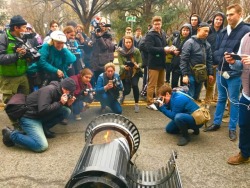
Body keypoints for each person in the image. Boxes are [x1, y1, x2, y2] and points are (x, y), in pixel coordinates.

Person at [204, 4, 250, 141]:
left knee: (234, 100)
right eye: (227, 15)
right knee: (221, 99)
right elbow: (216, 50)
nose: (228, 17)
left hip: (235, 73)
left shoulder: (246, 31)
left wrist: (234, 58)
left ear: (240, 14)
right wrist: (221, 58)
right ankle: (216, 123)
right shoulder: (223, 31)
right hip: (220, 70)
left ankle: (232, 128)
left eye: (231, 14)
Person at [1, 77, 76, 152]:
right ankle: (11, 135)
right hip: (29, 117)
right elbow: (43, 110)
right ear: (63, 87)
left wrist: (68, 104)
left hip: (39, 115)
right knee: (41, 145)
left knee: (66, 111)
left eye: (70, 92)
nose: (68, 93)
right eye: (67, 90)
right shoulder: (49, 90)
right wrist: (60, 103)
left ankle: (44, 129)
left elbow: (57, 108)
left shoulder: (63, 93)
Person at [226, 32, 250, 165]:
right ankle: (245, 154)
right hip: (246, 93)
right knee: (244, 125)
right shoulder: (246, 37)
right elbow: (240, 64)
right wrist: (234, 61)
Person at [145, 16, 174, 111]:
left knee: (161, 84)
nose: (157, 26)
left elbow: (164, 45)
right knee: (152, 84)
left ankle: (158, 100)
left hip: (162, 62)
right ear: (153, 24)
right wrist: (163, 49)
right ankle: (149, 102)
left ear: (161, 24)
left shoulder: (163, 33)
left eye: (159, 24)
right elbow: (149, 49)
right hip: (153, 63)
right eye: (155, 24)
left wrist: (170, 48)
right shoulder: (150, 35)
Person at [180, 22, 214, 100]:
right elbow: (183, 59)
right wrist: (184, 75)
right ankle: (187, 111)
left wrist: (210, 73)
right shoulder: (189, 43)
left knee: (196, 95)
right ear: (199, 30)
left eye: (208, 31)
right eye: (205, 31)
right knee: (189, 95)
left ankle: (194, 111)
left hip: (201, 75)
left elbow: (209, 60)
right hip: (190, 74)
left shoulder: (207, 45)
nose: (207, 33)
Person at [0, 15, 29, 104]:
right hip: (8, 80)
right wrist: (17, 55)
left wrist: (29, 55)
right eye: (24, 27)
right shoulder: (3, 38)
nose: (26, 30)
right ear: (16, 27)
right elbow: (0, 58)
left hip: (23, 77)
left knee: (25, 103)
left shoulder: (23, 38)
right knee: (10, 106)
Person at [117, 35, 143, 112]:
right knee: (127, 90)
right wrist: (124, 67)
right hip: (125, 73)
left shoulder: (136, 51)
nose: (128, 44)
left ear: (132, 42)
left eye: (130, 42)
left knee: (135, 85)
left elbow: (140, 62)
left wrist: (138, 65)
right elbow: (120, 63)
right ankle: (123, 95)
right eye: (126, 42)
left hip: (135, 71)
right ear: (124, 43)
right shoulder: (120, 52)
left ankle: (136, 104)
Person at [205, 12, 225, 106]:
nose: (218, 21)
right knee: (210, 84)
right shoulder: (208, 31)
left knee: (220, 84)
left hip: (221, 62)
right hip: (210, 62)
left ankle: (217, 100)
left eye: (221, 20)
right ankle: (207, 102)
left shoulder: (224, 32)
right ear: (213, 20)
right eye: (217, 19)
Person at [90, 17, 115, 86]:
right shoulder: (94, 33)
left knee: (104, 81)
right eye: (101, 23)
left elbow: (105, 47)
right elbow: (91, 44)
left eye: (104, 23)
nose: (102, 25)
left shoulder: (108, 35)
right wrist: (89, 42)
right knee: (95, 81)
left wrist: (99, 37)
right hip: (94, 61)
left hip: (103, 62)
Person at [171, 24, 192, 88]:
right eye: (184, 30)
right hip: (175, 64)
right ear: (181, 31)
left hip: (186, 65)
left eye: (187, 30)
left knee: (184, 85)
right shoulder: (176, 39)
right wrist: (173, 52)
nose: (185, 32)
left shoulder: (191, 40)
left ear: (190, 31)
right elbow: (172, 50)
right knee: (174, 84)